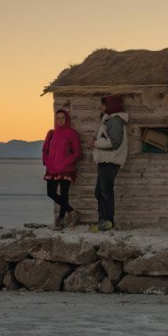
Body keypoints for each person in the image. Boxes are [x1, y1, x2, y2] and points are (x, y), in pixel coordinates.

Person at [90, 94, 128, 232]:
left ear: (110, 106)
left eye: (104, 105)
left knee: (105, 192)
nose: (102, 107)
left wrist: (95, 143)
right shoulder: (109, 120)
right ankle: (103, 220)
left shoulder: (115, 121)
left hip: (109, 162)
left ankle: (108, 221)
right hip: (104, 161)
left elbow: (114, 142)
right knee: (99, 193)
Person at [42, 109, 82, 229]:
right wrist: (46, 162)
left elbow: (77, 152)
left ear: (66, 119)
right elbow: (45, 150)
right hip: (52, 169)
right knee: (51, 192)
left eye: (62, 118)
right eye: (57, 118)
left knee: (64, 195)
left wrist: (66, 162)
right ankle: (72, 212)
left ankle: (60, 220)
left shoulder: (72, 133)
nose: (60, 120)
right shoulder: (51, 133)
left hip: (66, 168)